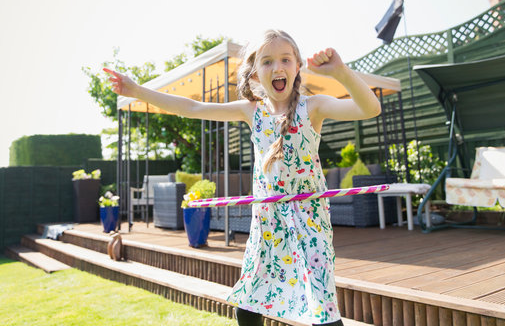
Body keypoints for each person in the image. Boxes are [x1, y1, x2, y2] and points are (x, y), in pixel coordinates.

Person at [104, 29, 381, 326]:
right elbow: (192, 108)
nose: (277, 67)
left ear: (297, 66)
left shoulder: (312, 108)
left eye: (286, 59)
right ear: (254, 74)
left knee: (321, 304)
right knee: (248, 303)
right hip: (268, 221)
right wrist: (137, 91)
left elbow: (370, 108)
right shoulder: (252, 112)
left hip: (308, 220)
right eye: (267, 61)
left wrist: (340, 72)